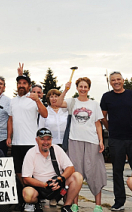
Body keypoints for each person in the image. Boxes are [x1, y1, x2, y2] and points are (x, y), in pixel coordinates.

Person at [54, 78, 106, 212]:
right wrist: (65, 90)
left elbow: (97, 123)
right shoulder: (72, 102)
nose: (83, 89)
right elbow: (58, 103)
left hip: (92, 141)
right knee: (76, 172)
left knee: (95, 172)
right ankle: (75, 204)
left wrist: (101, 140)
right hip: (74, 140)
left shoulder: (94, 104)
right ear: (77, 88)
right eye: (80, 86)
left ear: (89, 88)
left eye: (86, 86)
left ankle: (98, 205)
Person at [99, 71, 132, 210]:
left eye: (118, 79)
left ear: (123, 80)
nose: (116, 82)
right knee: (117, 171)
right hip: (116, 139)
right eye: (113, 80)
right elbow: (103, 117)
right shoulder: (106, 97)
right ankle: (119, 201)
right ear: (110, 82)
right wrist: (111, 129)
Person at [21, 128, 83, 212]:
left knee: (77, 176)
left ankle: (67, 206)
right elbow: (26, 179)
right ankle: (36, 202)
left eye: (48, 139)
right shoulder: (31, 153)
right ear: (37, 140)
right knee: (27, 194)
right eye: (42, 139)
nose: (45, 142)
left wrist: (60, 179)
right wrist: (44, 184)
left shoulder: (57, 149)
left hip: (57, 185)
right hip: (39, 187)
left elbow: (70, 168)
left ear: (51, 140)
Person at [7, 71, 48, 196]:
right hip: (16, 142)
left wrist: (38, 101)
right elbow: (10, 119)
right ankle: (27, 194)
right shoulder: (13, 101)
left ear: (29, 86)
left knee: (32, 172)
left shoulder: (33, 99)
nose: (21, 85)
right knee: (18, 170)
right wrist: (9, 136)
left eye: (24, 83)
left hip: (30, 142)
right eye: (19, 83)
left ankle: (35, 195)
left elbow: (45, 114)